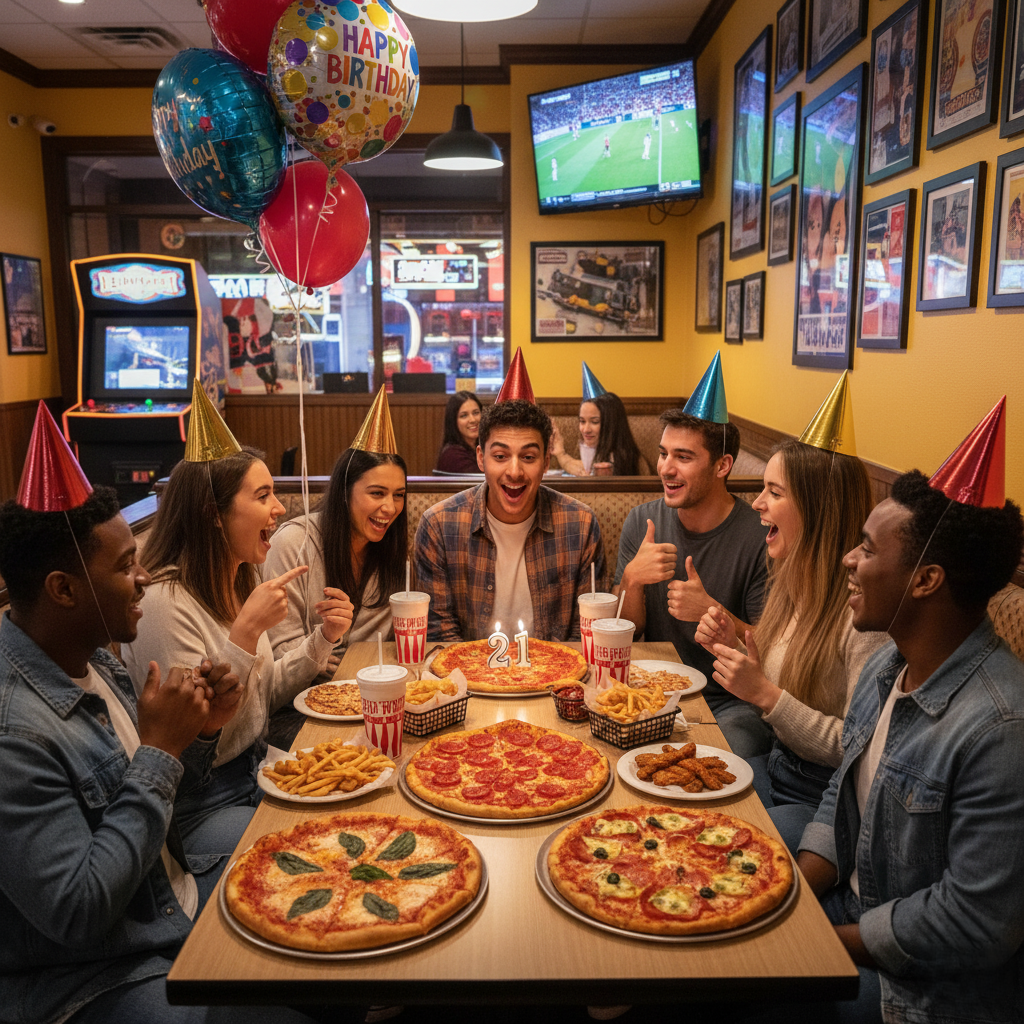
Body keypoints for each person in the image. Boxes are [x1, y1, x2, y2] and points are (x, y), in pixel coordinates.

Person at [0, 485, 322, 1024]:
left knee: (334, 915)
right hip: (93, 974)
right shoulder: (16, 733)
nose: (144, 578)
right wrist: (159, 749)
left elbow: (170, 802)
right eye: (127, 566)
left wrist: (200, 734)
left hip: (170, 898)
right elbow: (79, 911)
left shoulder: (91, 659)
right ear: (63, 589)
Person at [795, 467, 1024, 1024]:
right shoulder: (885, 666)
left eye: (867, 550)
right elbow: (842, 793)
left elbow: (973, 922)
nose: (848, 559)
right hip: (850, 909)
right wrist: (791, 895)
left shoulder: (1000, 729)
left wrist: (817, 938)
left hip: (925, 987)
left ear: (926, 580)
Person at [122, 446, 348, 827]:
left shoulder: (237, 578)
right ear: (213, 513)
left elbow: (264, 698)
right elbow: (194, 751)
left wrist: (323, 637)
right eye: (263, 496)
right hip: (198, 806)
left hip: (256, 771)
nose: (279, 507)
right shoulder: (163, 604)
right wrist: (244, 635)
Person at [696, 438, 886, 851]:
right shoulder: (791, 580)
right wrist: (734, 647)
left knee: (717, 846)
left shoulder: (865, 620)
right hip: (778, 764)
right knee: (688, 807)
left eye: (774, 492)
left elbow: (857, 750)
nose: (757, 503)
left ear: (819, 510)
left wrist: (763, 693)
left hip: (825, 801)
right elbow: (781, 674)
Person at [613, 407, 771, 757]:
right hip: (646, 693)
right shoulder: (642, 521)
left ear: (722, 466)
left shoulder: (759, 537)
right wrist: (631, 578)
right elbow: (627, 627)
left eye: (683, 457)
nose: (666, 468)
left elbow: (772, 650)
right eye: (663, 453)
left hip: (730, 704)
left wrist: (711, 611)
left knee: (708, 762)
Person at [415, 398, 605, 641]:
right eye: (501, 456)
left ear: (546, 461)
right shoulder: (439, 525)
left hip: (560, 675)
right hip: (467, 676)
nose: (514, 471)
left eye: (528, 457)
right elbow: (441, 635)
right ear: (481, 458)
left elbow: (586, 634)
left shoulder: (580, 524)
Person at [266, 447, 408, 687]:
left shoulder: (392, 551)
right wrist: (320, 651)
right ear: (344, 491)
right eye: (377, 493)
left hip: (375, 692)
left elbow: (387, 647)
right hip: (298, 702)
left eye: (398, 495)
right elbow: (278, 649)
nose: (390, 508)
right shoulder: (294, 543)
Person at [550, 392, 650, 476]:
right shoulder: (595, 456)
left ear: (612, 424)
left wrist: (561, 454)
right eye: (582, 421)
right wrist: (560, 453)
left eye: (594, 422)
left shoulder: (629, 460)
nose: (586, 430)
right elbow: (579, 468)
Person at [435, 391, 483, 473]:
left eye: (476, 413)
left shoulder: (480, 447)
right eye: (464, 415)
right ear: (453, 421)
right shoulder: (453, 456)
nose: (472, 420)